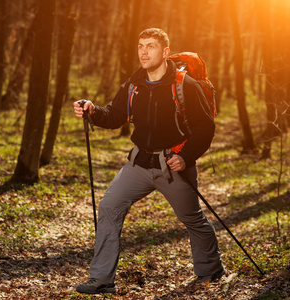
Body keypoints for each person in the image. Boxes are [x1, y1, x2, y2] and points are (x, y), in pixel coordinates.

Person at [73, 28, 224, 295]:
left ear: (165, 52)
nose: (144, 51)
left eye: (151, 46)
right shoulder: (134, 84)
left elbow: (205, 128)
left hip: (173, 165)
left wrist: (185, 157)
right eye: (141, 46)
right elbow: (115, 115)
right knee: (109, 206)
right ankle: (102, 279)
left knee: (192, 218)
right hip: (139, 164)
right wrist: (93, 111)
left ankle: (210, 270)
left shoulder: (185, 85)